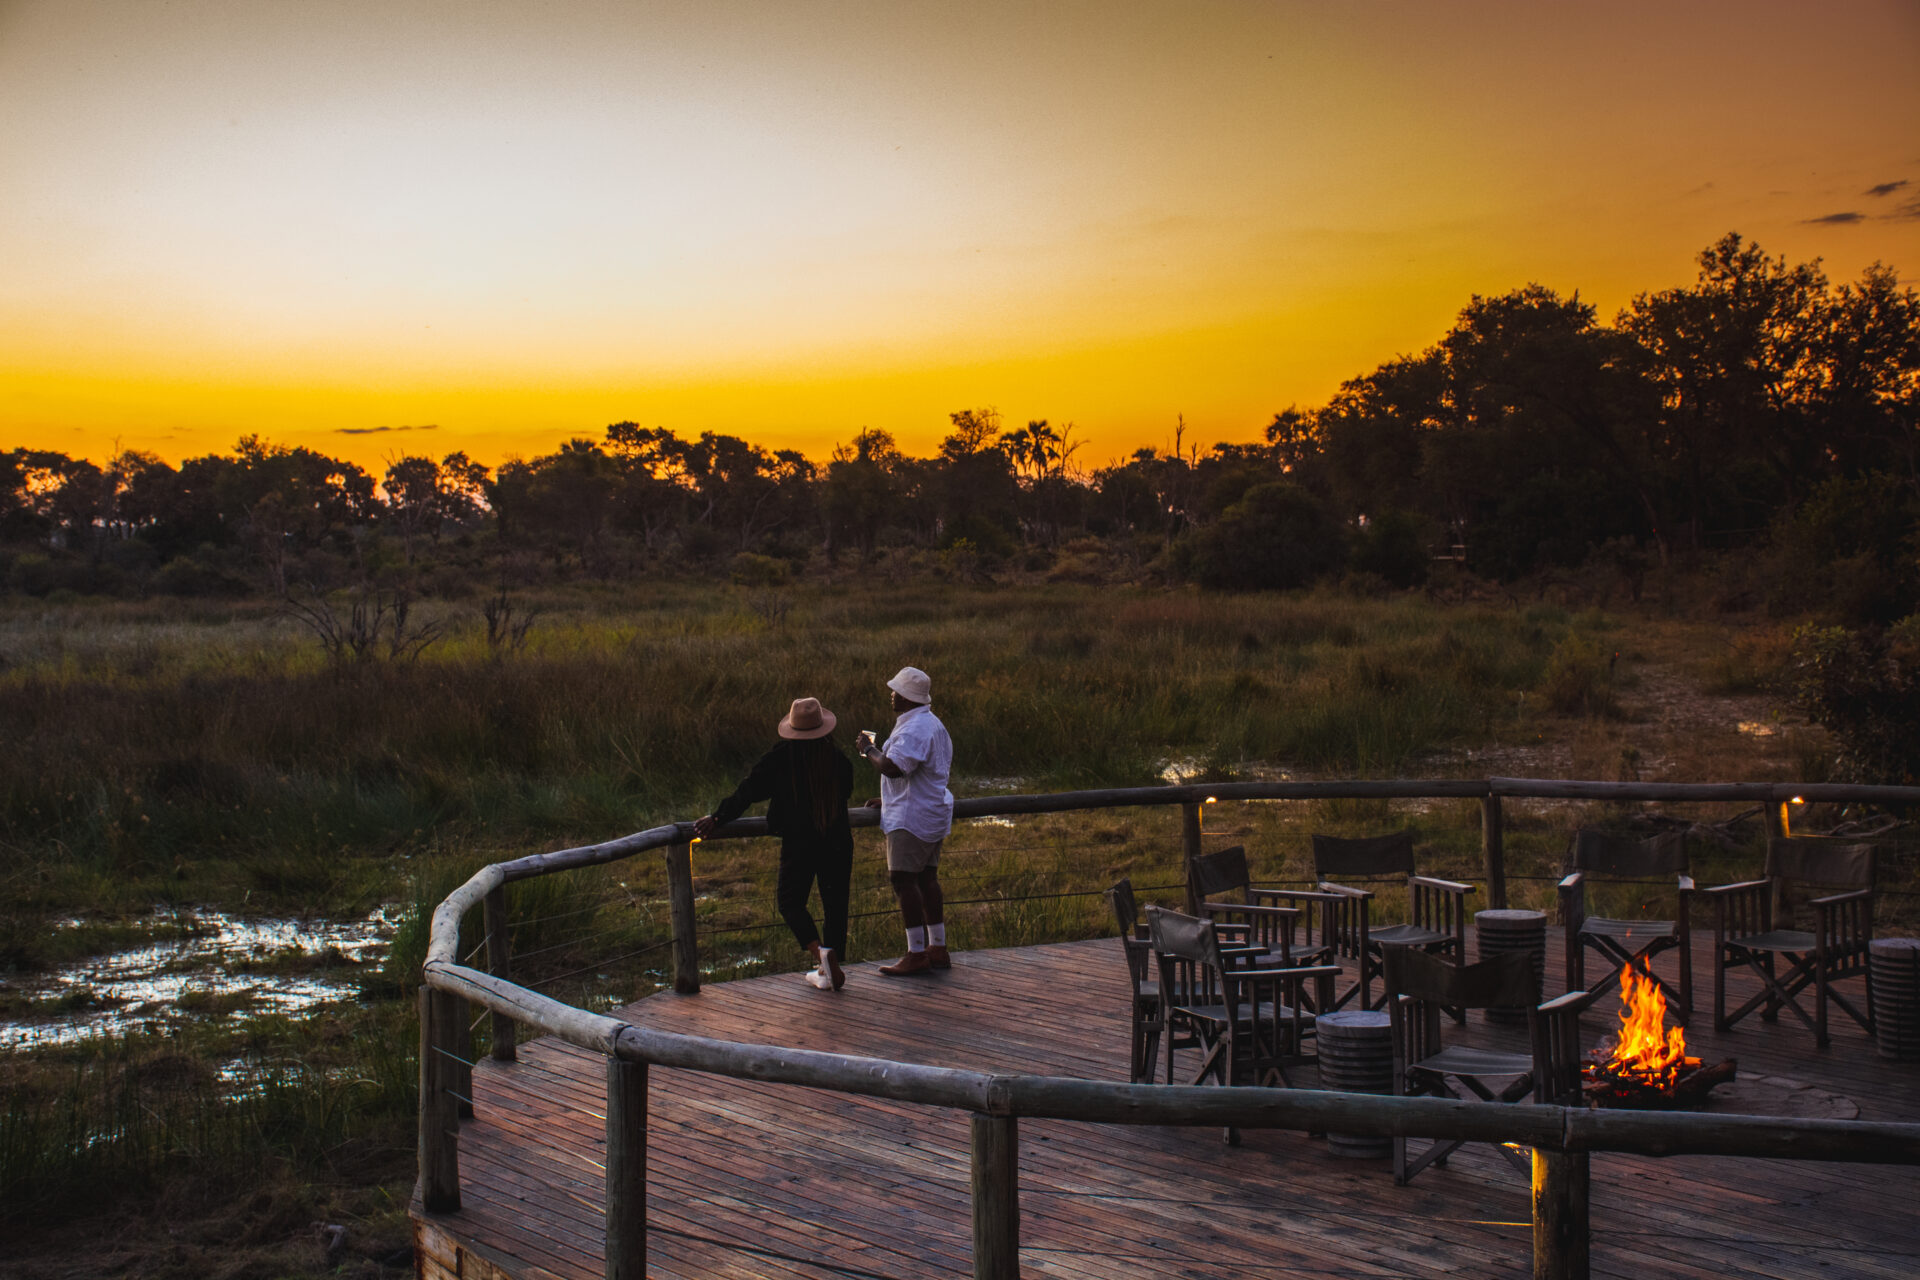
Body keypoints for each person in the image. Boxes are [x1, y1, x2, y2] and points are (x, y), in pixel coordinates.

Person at [692, 697, 853, 991]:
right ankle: (830, 965)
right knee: (835, 904)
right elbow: (848, 788)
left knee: (790, 901)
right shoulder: (837, 758)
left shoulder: (781, 757)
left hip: (799, 842)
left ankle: (822, 958)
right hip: (837, 841)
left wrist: (718, 817)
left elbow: (749, 790)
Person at [855, 666, 954, 977]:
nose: (892, 695)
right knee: (927, 879)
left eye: (896, 691)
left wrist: (868, 749)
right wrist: (890, 798)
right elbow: (921, 773)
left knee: (902, 880)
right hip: (929, 810)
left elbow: (894, 766)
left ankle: (916, 953)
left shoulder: (913, 730)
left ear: (909, 698)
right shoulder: (931, 724)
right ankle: (937, 948)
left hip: (912, 820)